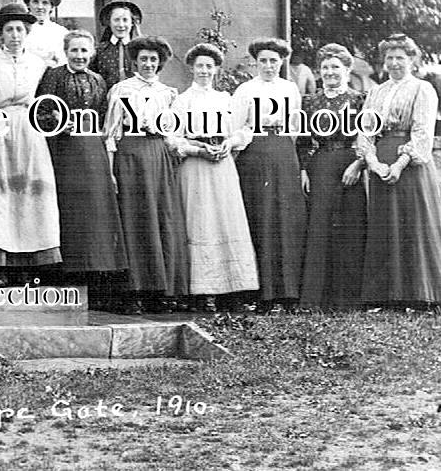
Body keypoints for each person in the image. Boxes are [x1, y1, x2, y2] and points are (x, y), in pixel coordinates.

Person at [34, 29, 127, 304]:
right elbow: (41, 110)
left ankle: (98, 271)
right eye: (74, 50)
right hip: (65, 150)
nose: (79, 56)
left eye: (84, 51)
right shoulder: (54, 76)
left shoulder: (98, 80)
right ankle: (70, 271)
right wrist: (59, 122)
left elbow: (103, 118)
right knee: (70, 207)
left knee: (97, 208)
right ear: (66, 52)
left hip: (93, 150)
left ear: (92, 53)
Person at [103, 36, 189, 313]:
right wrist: (111, 170)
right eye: (143, 59)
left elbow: (173, 134)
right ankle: (134, 291)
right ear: (135, 61)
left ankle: (161, 291)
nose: (148, 64)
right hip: (130, 156)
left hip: (159, 157)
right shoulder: (121, 90)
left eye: (153, 60)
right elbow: (111, 133)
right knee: (135, 220)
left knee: (162, 218)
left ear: (160, 62)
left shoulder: (168, 93)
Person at [170, 43, 258, 312]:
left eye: (209, 66)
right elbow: (172, 137)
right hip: (196, 165)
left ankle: (231, 290)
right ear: (191, 68)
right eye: (199, 66)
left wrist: (229, 143)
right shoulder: (182, 100)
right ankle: (199, 292)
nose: (204, 71)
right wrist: (197, 149)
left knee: (226, 220)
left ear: (216, 69)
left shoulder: (225, 100)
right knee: (200, 221)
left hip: (222, 164)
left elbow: (246, 128)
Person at [356, 34, 441, 308]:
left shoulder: (422, 89)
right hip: (381, 160)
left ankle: (418, 294)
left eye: (400, 58)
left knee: (412, 223)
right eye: (389, 58)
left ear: (412, 60)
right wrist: (373, 161)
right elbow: (366, 130)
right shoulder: (375, 92)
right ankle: (385, 294)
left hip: (411, 164)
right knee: (385, 224)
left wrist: (399, 163)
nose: (394, 63)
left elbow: (422, 132)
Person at [0, 2, 62, 280]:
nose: (15, 35)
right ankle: (2, 265)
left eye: (19, 29)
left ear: (27, 32)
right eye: (9, 30)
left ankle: (30, 264)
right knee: (2, 195)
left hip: (30, 129)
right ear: (0, 34)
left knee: (31, 193)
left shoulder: (39, 65)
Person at [231, 37, 307, 311]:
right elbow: (237, 128)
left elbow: (296, 126)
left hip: (284, 153)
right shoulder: (245, 90)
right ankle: (262, 294)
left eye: (273, 61)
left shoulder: (290, 88)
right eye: (263, 60)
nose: (268, 65)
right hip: (255, 153)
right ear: (255, 62)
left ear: (281, 62)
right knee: (261, 218)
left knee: (286, 220)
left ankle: (287, 293)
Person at [296, 43, 367, 310]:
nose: (330, 72)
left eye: (335, 67)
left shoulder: (360, 99)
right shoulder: (310, 101)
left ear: (347, 70)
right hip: (321, 163)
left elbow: (369, 136)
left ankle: (348, 299)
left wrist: (359, 165)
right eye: (325, 67)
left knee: (350, 226)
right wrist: (304, 169)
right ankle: (316, 299)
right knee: (320, 226)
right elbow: (303, 141)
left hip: (350, 162)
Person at [89, 0, 142, 91]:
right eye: (116, 20)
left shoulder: (140, 49)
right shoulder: (99, 50)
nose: (121, 25)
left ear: (132, 23)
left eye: (125, 20)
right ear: (109, 22)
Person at [21, 0, 67, 67]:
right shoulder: (20, 30)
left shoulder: (61, 32)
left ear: (52, 6)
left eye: (45, 3)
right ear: (28, 4)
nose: (40, 7)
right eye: (35, 2)